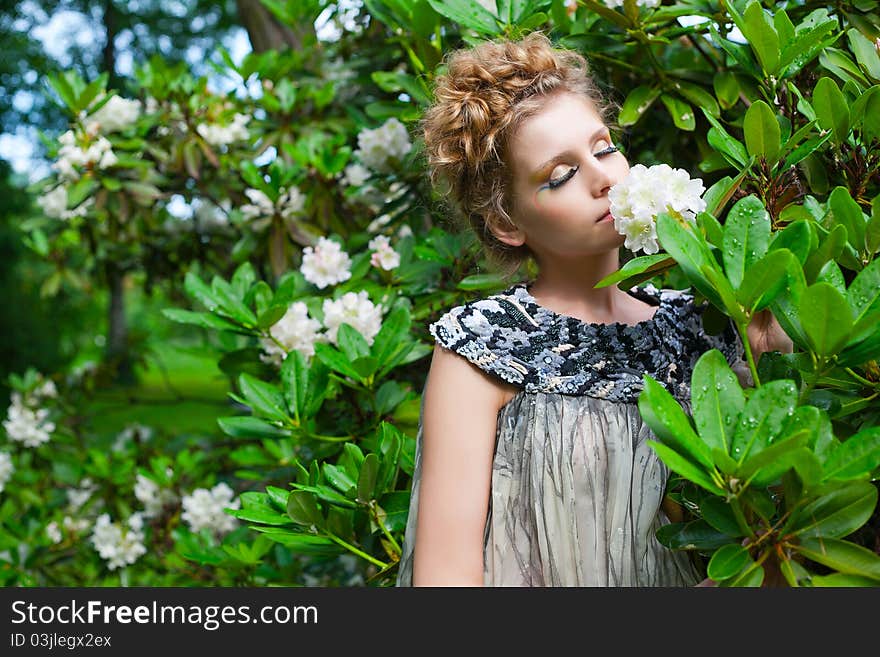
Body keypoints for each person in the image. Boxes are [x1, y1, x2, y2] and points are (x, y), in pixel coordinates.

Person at [395, 32, 792, 587]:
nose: (604, 178)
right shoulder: (481, 344)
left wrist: (775, 333)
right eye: (560, 176)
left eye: (604, 148)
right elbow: (445, 578)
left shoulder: (707, 321)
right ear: (508, 223)